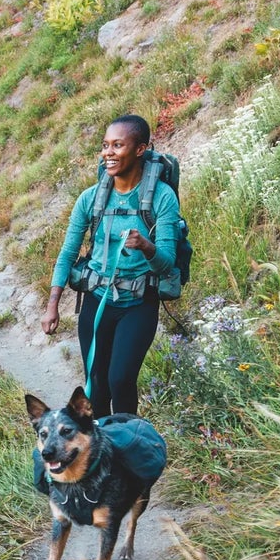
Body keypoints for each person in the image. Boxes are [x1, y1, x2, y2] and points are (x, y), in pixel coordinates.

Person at [40, 115, 180, 416]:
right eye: (105, 145)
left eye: (118, 145)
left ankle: (128, 443)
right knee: (97, 384)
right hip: (97, 299)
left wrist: (146, 246)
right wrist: (53, 305)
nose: (109, 153)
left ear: (140, 149)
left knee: (121, 380)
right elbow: (67, 254)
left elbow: (167, 262)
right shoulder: (90, 199)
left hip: (139, 303)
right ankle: (104, 452)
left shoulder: (162, 198)